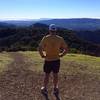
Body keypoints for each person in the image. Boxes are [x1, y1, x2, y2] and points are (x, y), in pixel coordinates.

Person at [38, 24, 68, 95]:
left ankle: (44, 88)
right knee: (55, 75)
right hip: (56, 60)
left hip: (48, 60)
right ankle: (55, 87)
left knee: (47, 75)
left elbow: (39, 48)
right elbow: (66, 49)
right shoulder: (60, 39)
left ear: (49, 30)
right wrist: (62, 54)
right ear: (55, 30)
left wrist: (42, 55)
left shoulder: (45, 38)